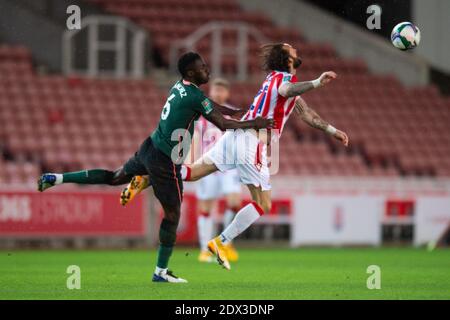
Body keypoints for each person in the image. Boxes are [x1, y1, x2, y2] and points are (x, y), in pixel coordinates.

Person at [37, 52, 273, 283]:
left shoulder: (181, 86)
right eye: (203, 67)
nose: (207, 69)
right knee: (172, 215)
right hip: (165, 161)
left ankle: (56, 178)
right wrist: (255, 123)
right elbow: (222, 124)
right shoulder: (194, 96)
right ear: (191, 72)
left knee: (113, 176)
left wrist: (240, 113)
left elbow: (211, 105)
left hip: (149, 147)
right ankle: (160, 271)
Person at [121, 43, 349, 270]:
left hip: (235, 136)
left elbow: (306, 113)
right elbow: (287, 91)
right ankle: (220, 242)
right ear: (287, 59)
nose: (296, 50)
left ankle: (149, 176)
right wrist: (318, 82)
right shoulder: (282, 81)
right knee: (263, 203)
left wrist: (332, 131)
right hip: (251, 142)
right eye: (292, 50)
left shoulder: (275, 79)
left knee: (192, 172)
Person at [191, 78, 242, 263]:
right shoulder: (201, 113)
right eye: (216, 89)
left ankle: (224, 243)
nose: (219, 93)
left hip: (229, 167)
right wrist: (195, 164)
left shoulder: (232, 114)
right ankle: (205, 249)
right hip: (208, 165)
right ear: (211, 92)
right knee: (206, 207)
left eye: (222, 90)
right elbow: (195, 137)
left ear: (226, 93)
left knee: (235, 202)